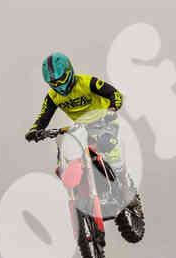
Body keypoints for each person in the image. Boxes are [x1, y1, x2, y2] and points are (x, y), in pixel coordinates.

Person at [25, 52, 137, 209]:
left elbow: (114, 93)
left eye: (61, 79)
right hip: (81, 127)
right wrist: (35, 130)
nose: (59, 85)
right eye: (53, 83)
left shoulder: (87, 82)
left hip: (104, 120)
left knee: (108, 145)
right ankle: (80, 187)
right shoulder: (52, 97)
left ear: (70, 71)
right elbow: (43, 116)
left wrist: (112, 108)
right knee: (65, 147)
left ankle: (125, 187)